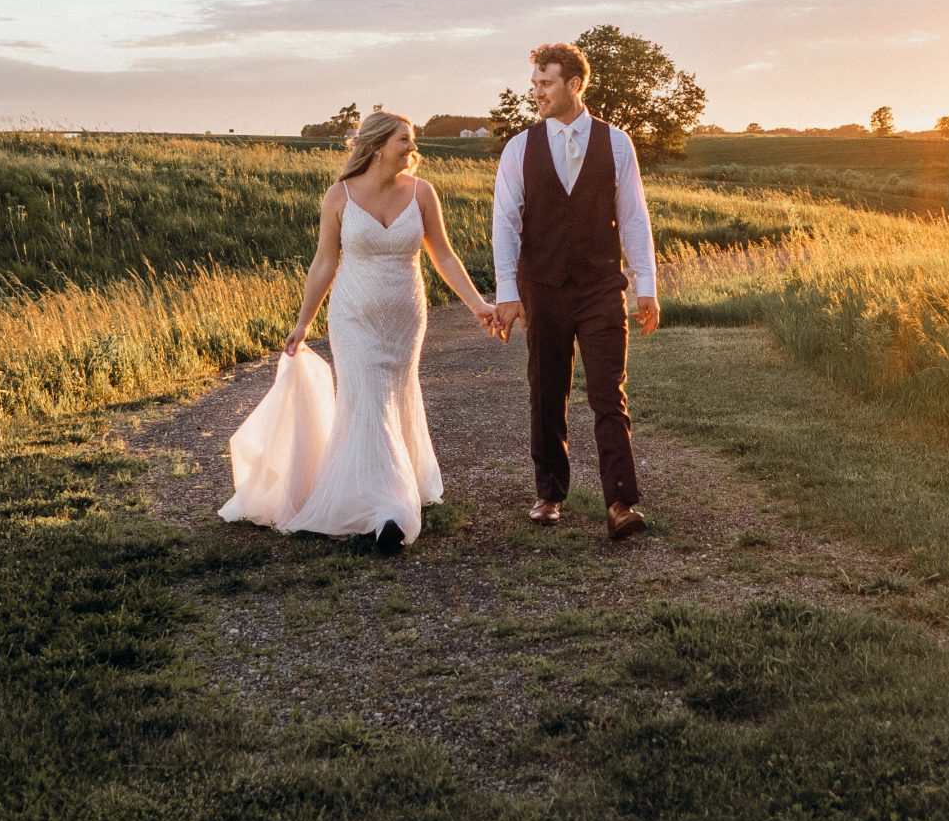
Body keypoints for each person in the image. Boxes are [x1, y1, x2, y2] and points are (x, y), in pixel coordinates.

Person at [218, 112, 495, 549]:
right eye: (405, 139)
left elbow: (443, 255)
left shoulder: (423, 193)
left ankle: (398, 484)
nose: (412, 147)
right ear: (379, 145)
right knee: (367, 400)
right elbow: (325, 261)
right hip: (353, 317)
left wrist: (479, 305)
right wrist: (302, 322)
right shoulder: (339, 195)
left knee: (394, 396)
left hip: (406, 317)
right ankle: (387, 510)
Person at [490, 41, 659, 540]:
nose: (537, 93)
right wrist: (507, 292)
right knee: (547, 390)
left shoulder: (617, 142)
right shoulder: (520, 147)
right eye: (535, 84)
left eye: (546, 83)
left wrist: (645, 284)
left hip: (601, 286)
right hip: (542, 288)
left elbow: (633, 216)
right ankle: (549, 494)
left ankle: (621, 503)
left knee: (609, 392)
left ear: (575, 84)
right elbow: (505, 223)